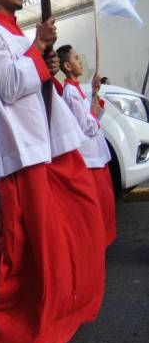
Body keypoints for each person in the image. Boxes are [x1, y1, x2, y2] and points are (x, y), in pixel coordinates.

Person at [0, 0, 105, 343]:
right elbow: (6, 85)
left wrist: (45, 63)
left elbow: (34, 78)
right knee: (21, 245)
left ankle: (59, 303)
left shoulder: (19, 34)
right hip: (22, 150)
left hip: (48, 143)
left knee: (73, 221)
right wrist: (38, 50)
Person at [57, 45, 116, 246]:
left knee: (105, 206)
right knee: (97, 209)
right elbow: (87, 127)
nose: (80, 61)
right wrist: (93, 108)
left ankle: (99, 246)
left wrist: (94, 92)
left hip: (98, 157)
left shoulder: (77, 90)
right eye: (75, 58)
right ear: (67, 65)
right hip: (90, 161)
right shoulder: (70, 93)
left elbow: (91, 118)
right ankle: (94, 247)